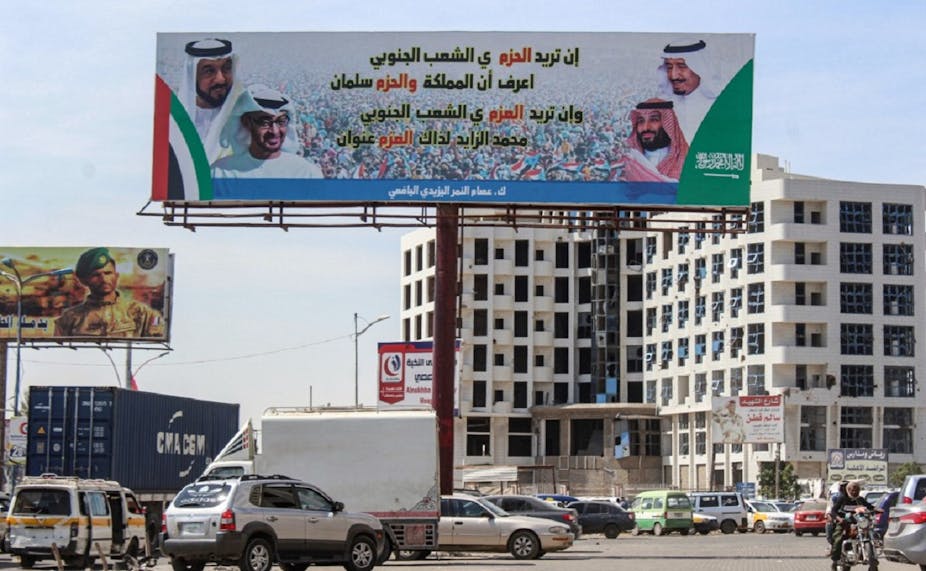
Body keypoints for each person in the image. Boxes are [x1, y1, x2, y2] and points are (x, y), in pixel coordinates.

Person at [211, 84, 323, 179]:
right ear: (246, 122)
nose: (275, 131)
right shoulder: (220, 173)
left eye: (281, 121)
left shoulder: (306, 173)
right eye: (265, 122)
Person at [54, 248, 165, 339]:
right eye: (96, 275)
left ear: (116, 276)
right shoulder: (69, 319)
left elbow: (156, 346)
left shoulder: (142, 313)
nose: (104, 279)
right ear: (84, 281)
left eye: (108, 273)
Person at [179, 38, 240, 162]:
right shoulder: (174, 124)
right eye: (209, 71)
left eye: (226, 68)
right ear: (192, 76)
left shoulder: (246, 119)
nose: (221, 79)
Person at [657, 39, 723, 142]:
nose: (673, 76)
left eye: (682, 66)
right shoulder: (661, 107)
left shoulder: (721, 107)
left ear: (700, 68)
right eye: (669, 67)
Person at [619, 99, 689, 183]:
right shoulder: (628, 160)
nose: (645, 128)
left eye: (654, 120)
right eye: (641, 121)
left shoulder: (689, 161)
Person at [829, 481, 879, 569]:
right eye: (852, 490)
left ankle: (872, 558)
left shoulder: (860, 499)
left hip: (859, 523)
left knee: (872, 533)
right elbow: (833, 511)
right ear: (848, 490)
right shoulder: (842, 499)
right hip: (844, 523)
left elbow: (869, 506)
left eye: (857, 490)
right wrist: (839, 519)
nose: (854, 492)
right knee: (838, 537)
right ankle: (836, 559)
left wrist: (877, 509)